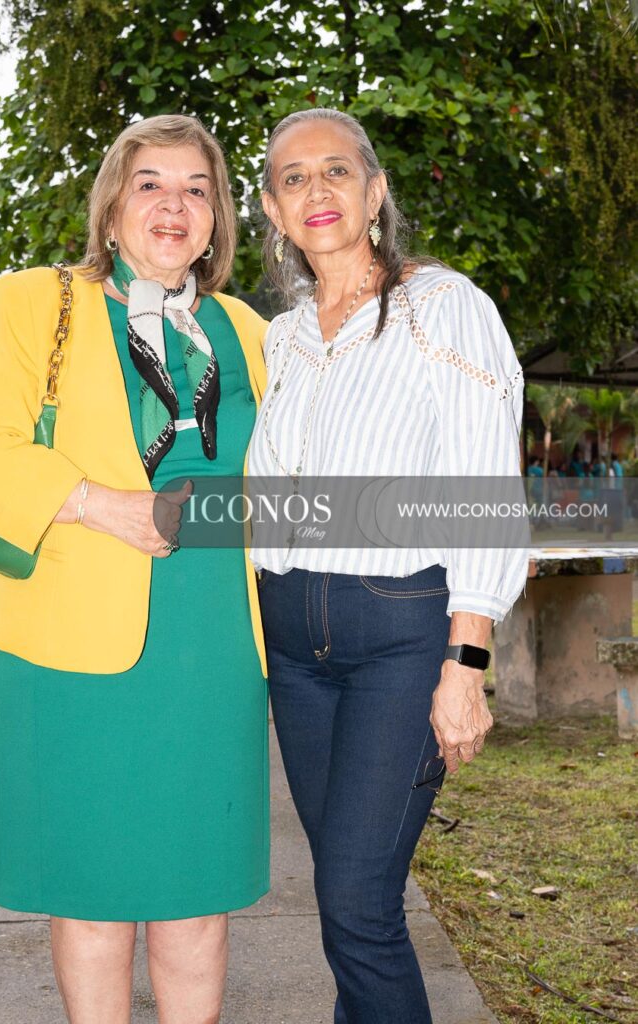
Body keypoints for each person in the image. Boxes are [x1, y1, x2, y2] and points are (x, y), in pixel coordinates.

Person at [0, 114, 269, 1024]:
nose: (173, 205)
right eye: (149, 183)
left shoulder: (248, 329)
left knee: (199, 891)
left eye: (196, 189)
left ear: (217, 217)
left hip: (213, 640)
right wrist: (96, 503)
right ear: (112, 207)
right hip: (69, 639)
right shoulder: (33, 302)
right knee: (91, 893)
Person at [248, 108, 528, 1024]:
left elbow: (485, 488)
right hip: (292, 647)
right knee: (346, 899)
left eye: (336, 170)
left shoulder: (441, 307)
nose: (316, 190)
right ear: (272, 209)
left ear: (374, 193)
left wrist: (465, 664)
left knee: (358, 904)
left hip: (399, 634)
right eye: (293, 178)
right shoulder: (283, 337)